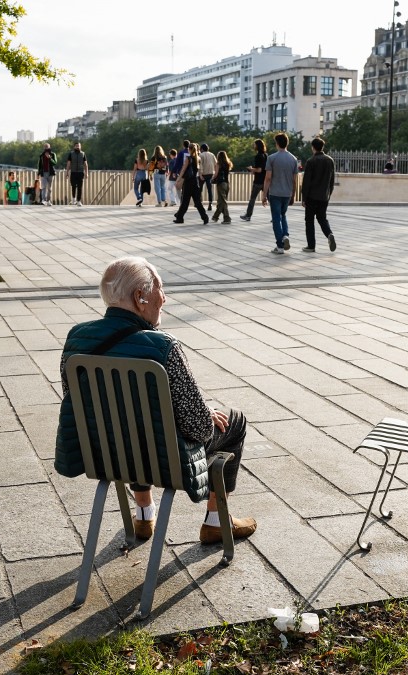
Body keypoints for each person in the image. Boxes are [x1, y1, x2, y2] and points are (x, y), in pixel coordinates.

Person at [55, 257, 258, 545]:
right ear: (140, 297)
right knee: (233, 423)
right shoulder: (164, 347)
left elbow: (73, 398)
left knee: (130, 421)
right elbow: (198, 429)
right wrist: (205, 412)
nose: (164, 298)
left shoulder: (76, 338)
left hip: (105, 453)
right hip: (165, 461)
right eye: (160, 288)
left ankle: (143, 513)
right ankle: (215, 522)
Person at [261, 133, 299, 255]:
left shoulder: (272, 158)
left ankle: (280, 245)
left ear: (277, 143)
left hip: (275, 193)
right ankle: (285, 235)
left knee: (276, 218)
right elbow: (295, 180)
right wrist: (293, 194)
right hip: (287, 193)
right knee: (283, 215)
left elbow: (268, 178)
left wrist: (264, 194)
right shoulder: (293, 159)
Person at [301, 137, 337, 254]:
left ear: (313, 147)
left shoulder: (311, 161)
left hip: (312, 196)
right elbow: (332, 180)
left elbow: (306, 182)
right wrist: (329, 193)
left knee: (309, 220)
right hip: (324, 196)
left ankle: (311, 246)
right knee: (322, 218)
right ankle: (329, 234)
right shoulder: (330, 160)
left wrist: (304, 198)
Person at [172, 143, 209, 225]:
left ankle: (180, 218)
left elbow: (183, 170)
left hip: (188, 182)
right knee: (198, 202)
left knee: (185, 201)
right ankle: (205, 217)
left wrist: (178, 179)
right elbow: (199, 171)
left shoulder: (188, 159)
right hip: (195, 181)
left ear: (189, 149)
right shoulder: (198, 158)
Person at [240, 139, 268, 222]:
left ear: (257, 146)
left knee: (252, 199)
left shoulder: (258, 156)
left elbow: (259, 170)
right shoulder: (266, 155)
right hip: (266, 180)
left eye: (254, 144)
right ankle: (276, 216)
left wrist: (251, 169)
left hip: (258, 181)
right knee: (271, 199)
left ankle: (248, 215)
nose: (253, 146)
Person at [211, 151, 232, 224]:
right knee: (220, 201)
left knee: (223, 201)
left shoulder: (218, 164)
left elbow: (216, 174)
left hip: (221, 184)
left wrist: (212, 179)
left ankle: (227, 218)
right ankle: (215, 217)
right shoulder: (228, 164)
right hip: (227, 184)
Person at [199, 143, 217, 210]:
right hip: (211, 174)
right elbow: (216, 164)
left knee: (199, 189)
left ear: (202, 149)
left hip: (203, 174)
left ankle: (199, 202)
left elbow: (200, 166)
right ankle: (210, 203)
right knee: (210, 189)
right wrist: (215, 174)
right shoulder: (212, 154)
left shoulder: (201, 155)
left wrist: (200, 174)